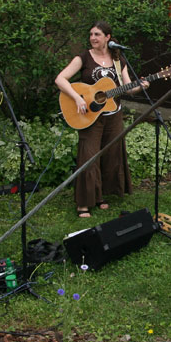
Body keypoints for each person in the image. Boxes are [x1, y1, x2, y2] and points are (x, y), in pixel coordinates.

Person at [55, 21, 148, 218]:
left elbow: (128, 87)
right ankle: (84, 203)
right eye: (91, 34)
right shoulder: (83, 58)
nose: (93, 38)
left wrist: (141, 86)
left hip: (113, 115)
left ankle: (101, 196)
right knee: (89, 157)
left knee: (111, 155)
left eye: (97, 34)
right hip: (89, 115)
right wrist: (77, 97)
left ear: (108, 37)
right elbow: (61, 79)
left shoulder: (118, 60)